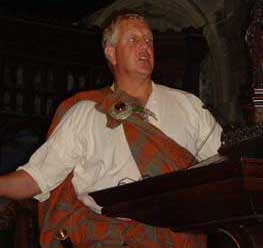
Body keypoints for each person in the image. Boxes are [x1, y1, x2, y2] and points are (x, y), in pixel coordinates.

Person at [0, 11, 222, 248]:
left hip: (176, 237)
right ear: (111, 53)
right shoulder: (86, 112)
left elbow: (223, 162)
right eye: (133, 40)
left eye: (148, 40)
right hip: (107, 238)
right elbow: (37, 178)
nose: (144, 46)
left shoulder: (189, 105)